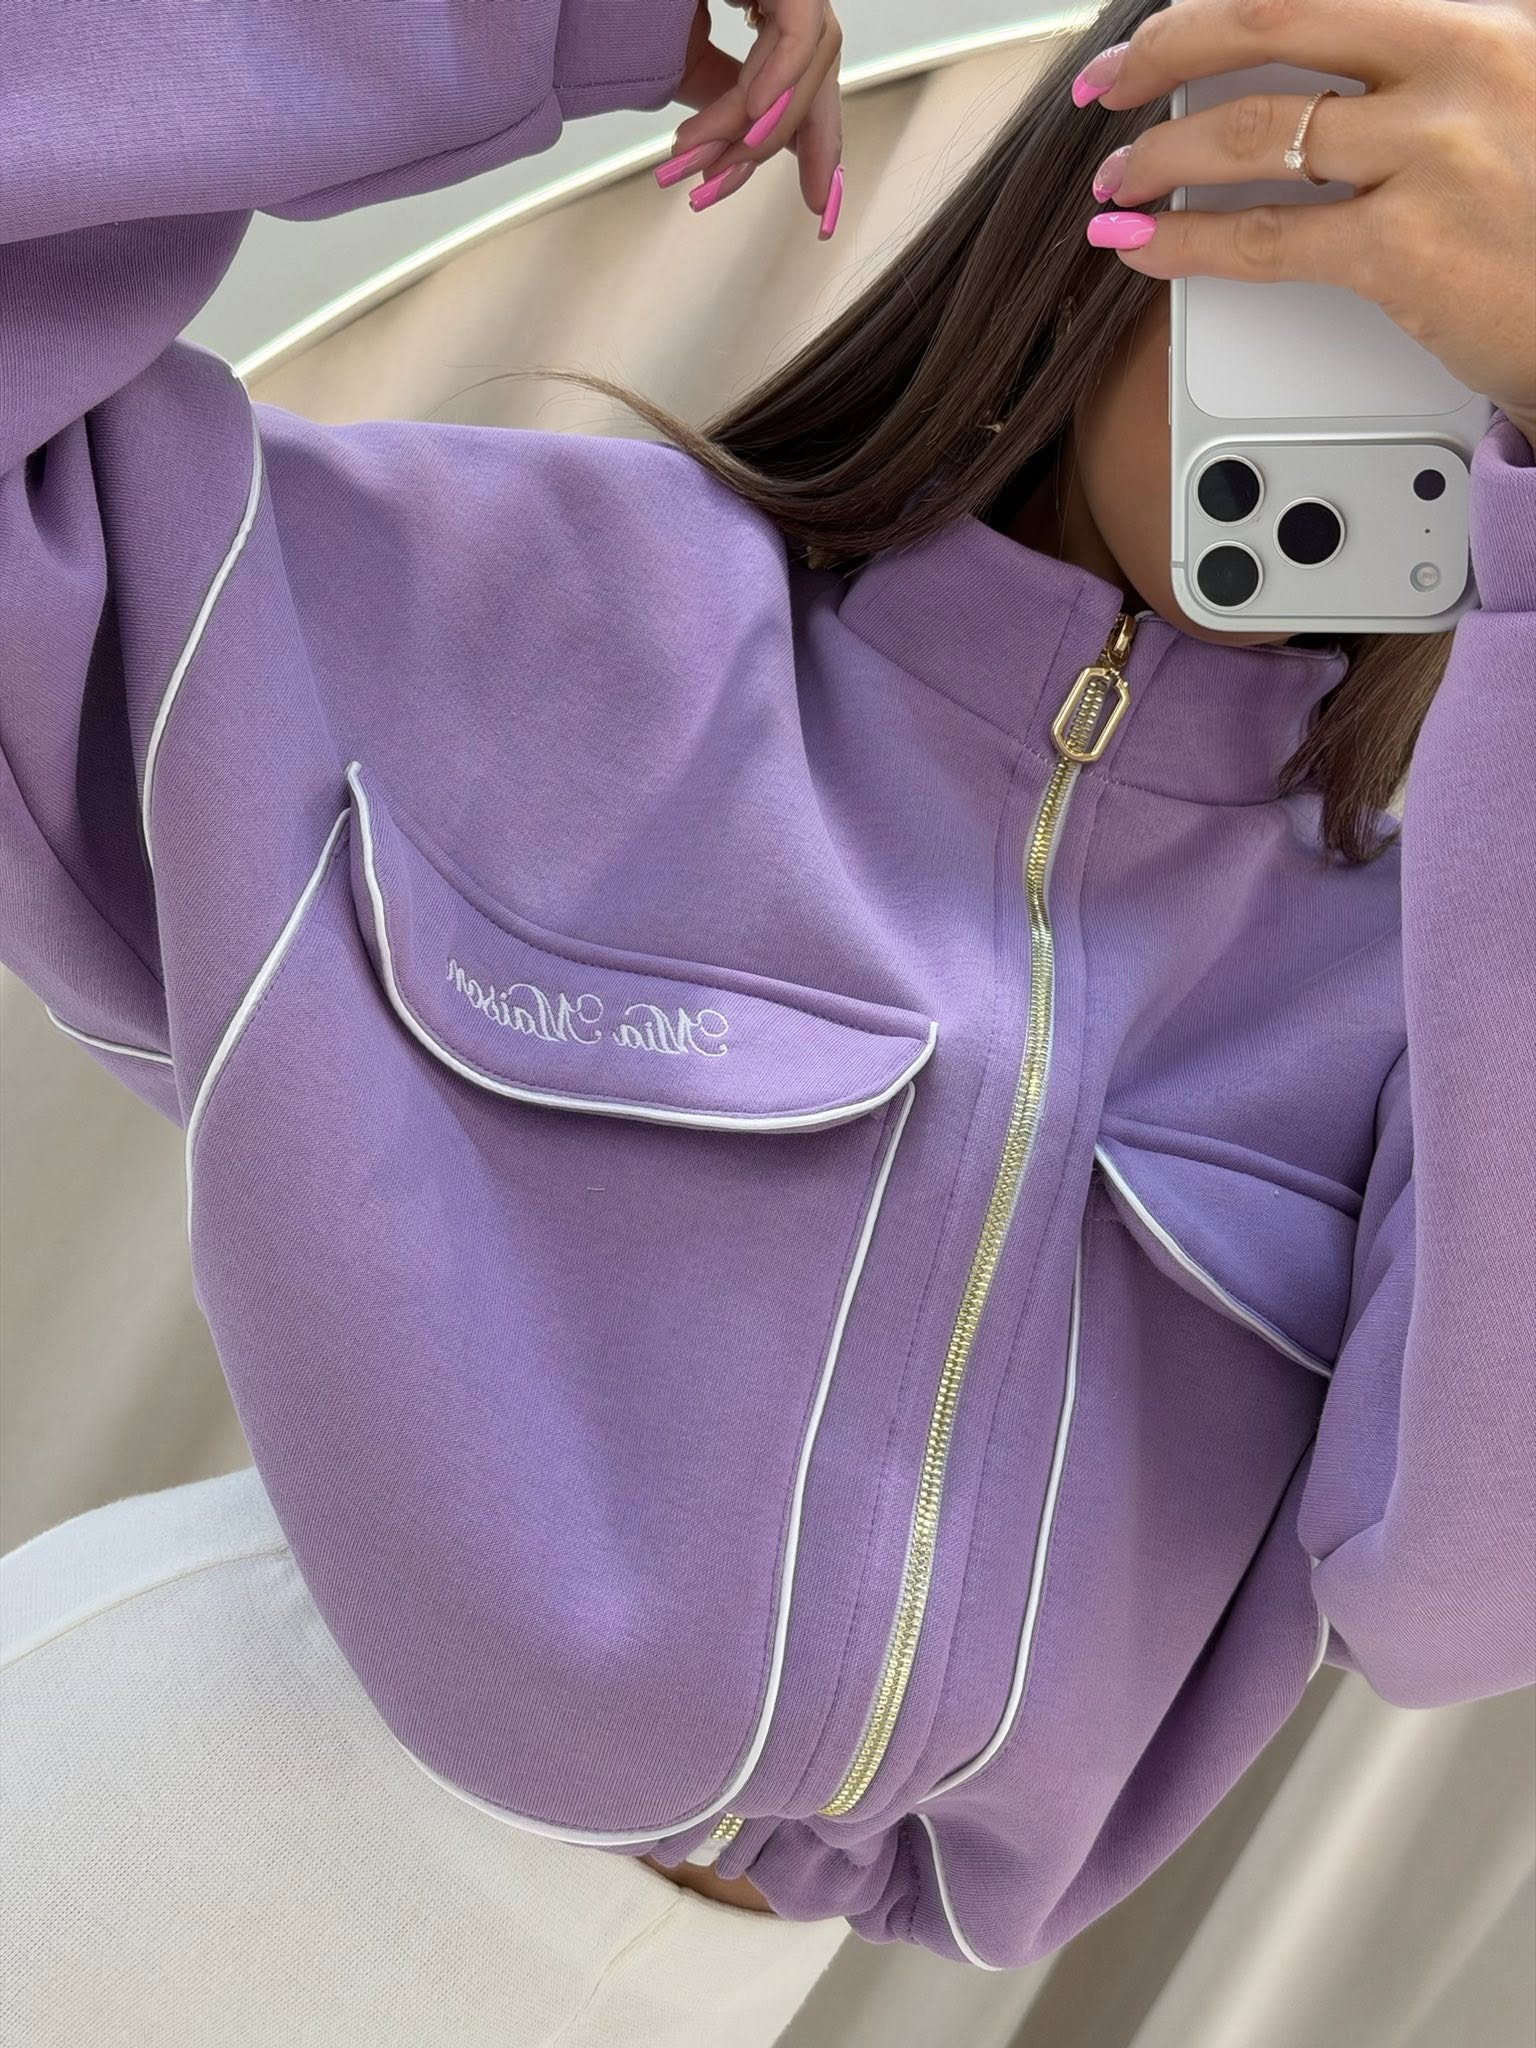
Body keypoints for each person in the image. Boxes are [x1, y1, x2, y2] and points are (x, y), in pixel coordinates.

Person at [2, 0, 1532, 2037]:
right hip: (153, 1827)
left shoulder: (1433, 982)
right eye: (1327, 217)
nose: (1392, 337)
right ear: (1112, 199)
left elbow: (1463, 1596)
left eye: (1460, 283)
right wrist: (504, 19)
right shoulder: (536, 613)